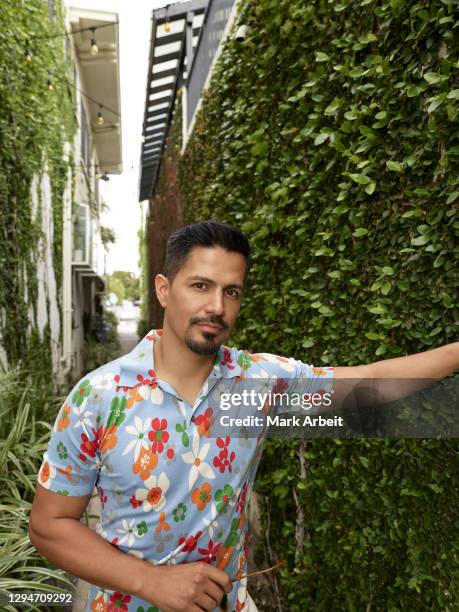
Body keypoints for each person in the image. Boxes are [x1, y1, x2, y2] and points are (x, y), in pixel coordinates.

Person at [29, 221, 458, 612]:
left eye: (231, 291)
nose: (216, 306)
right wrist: (150, 581)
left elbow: (369, 382)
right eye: (200, 285)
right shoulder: (99, 397)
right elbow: (50, 525)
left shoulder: (256, 384)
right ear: (163, 289)